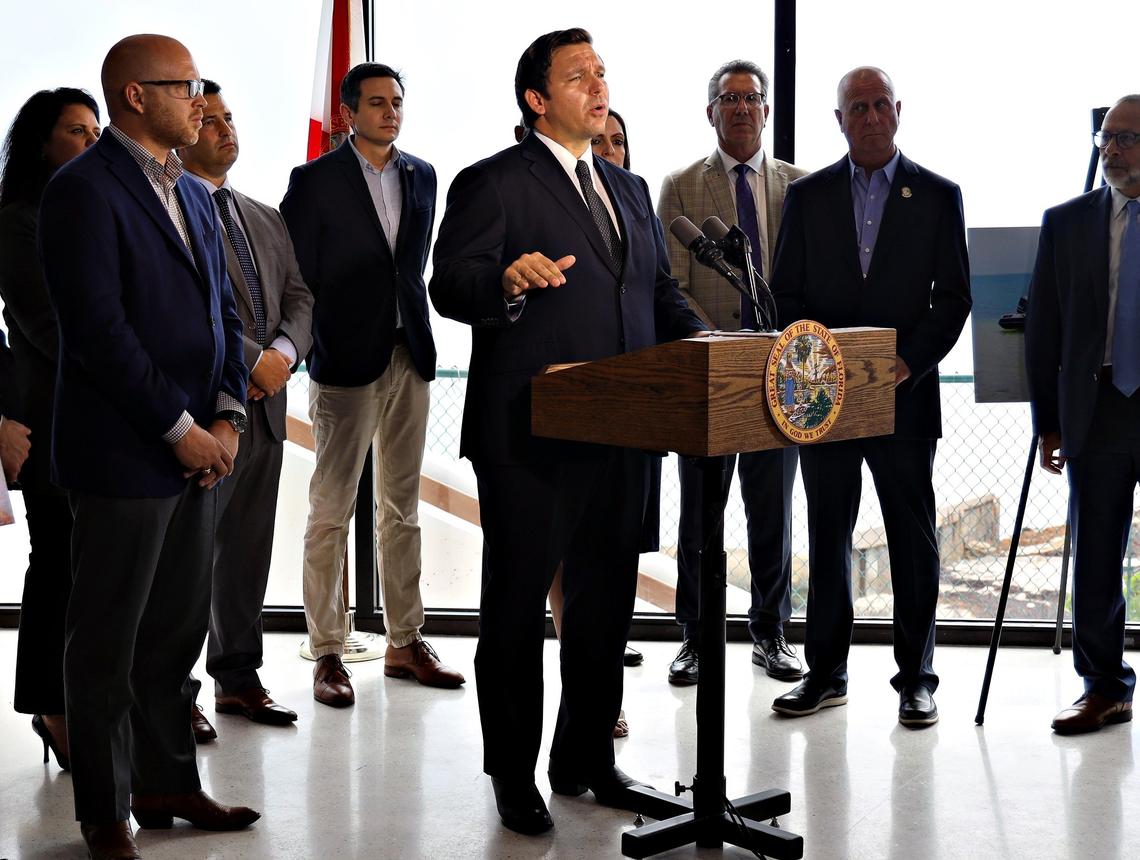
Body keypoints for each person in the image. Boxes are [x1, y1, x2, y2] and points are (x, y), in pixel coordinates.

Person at [430, 28, 704, 836]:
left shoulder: (629, 188)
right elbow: (449, 282)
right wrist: (505, 282)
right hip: (530, 434)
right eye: (578, 75)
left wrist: (706, 341)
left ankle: (584, 757)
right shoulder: (494, 182)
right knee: (516, 611)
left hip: (625, 430)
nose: (598, 85)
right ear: (537, 99)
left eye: (602, 72)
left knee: (604, 608)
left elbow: (655, 292)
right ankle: (513, 773)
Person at [38, 34, 259, 858]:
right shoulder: (81, 191)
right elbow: (99, 333)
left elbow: (225, 317)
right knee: (106, 643)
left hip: (201, 453)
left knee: (172, 635)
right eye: (185, 86)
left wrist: (227, 417)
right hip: (126, 453)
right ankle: (105, 812)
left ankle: (168, 784)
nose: (200, 101)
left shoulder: (194, 192)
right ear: (136, 96)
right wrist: (182, 430)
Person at [770, 66, 970, 728]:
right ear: (840, 120)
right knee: (827, 535)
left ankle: (916, 679)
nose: (872, 116)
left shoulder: (938, 195)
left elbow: (954, 300)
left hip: (903, 395)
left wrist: (906, 364)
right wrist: (819, 368)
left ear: (899, 110)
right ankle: (826, 674)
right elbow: (786, 294)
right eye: (858, 107)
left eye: (882, 104)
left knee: (912, 540)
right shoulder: (807, 197)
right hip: (824, 398)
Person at [281, 62, 462, 707]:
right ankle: (327, 651)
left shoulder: (423, 175)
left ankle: (404, 641)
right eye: (378, 103)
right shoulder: (313, 181)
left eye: (397, 102)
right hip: (344, 360)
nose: (391, 113)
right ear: (348, 112)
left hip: (409, 353)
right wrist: (310, 345)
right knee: (331, 511)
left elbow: (409, 267)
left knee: (401, 507)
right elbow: (298, 276)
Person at [657, 60, 807, 686]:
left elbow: (807, 280)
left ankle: (771, 632)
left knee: (772, 513)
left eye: (752, 98)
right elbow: (670, 282)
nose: (741, 108)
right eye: (729, 98)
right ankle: (695, 637)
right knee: (700, 513)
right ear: (710, 111)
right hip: (712, 374)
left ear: (767, 110)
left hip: (780, 374)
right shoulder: (680, 186)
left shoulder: (800, 186)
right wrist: (715, 344)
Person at [178, 80, 313, 737]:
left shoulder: (265, 214)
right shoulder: (169, 209)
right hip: (203, 414)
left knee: (246, 552)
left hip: (267, 409)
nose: (225, 129)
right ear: (183, 130)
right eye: (209, 120)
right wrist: (252, 359)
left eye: (229, 117)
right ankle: (175, 693)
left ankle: (237, 679)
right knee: (186, 560)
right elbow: (186, 309)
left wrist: (282, 354)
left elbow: (301, 297)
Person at [1026, 94, 1140, 735]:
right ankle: (1104, 688)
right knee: (1095, 556)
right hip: (1097, 410)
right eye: (1106, 138)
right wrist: (1049, 421)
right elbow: (1044, 330)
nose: (1111, 149)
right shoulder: (1065, 222)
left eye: (1125, 139)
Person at [0, 86, 100, 770]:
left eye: (96, 131)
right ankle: (52, 707)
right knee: (59, 564)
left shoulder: (91, 212)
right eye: (75, 131)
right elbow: (46, 326)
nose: (90, 142)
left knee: (90, 568)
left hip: (102, 414)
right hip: (48, 417)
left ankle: (86, 702)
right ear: (42, 144)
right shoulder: (18, 221)